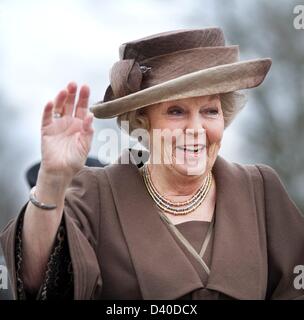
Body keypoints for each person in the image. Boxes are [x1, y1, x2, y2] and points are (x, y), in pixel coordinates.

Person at [1, 28, 304, 300]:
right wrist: (53, 179)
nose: (196, 128)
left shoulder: (260, 191)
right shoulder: (96, 195)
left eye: (210, 111)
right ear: (142, 123)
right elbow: (36, 282)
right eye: (176, 111)